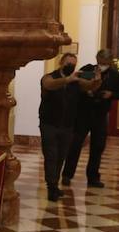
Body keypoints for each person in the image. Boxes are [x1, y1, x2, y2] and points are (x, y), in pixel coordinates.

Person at [40, 52, 102, 201]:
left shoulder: (76, 81)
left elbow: (90, 87)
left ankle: (54, 185)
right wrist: (68, 79)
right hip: (49, 124)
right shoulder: (50, 77)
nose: (71, 66)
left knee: (61, 156)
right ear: (61, 63)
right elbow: (48, 85)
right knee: (51, 156)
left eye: (73, 64)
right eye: (68, 63)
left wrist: (97, 81)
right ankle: (51, 188)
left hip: (67, 126)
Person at [62, 48, 119, 189]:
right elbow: (76, 84)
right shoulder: (87, 70)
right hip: (84, 113)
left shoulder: (114, 75)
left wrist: (111, 94)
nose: (102, 64)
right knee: (75, 144)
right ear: (96, 59)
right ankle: (67, 175)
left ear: (110, 61)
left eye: (105, 62)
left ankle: (93, 177)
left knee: (97, 147)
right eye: (100, 61)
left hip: (101, 115)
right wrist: (87, 90)